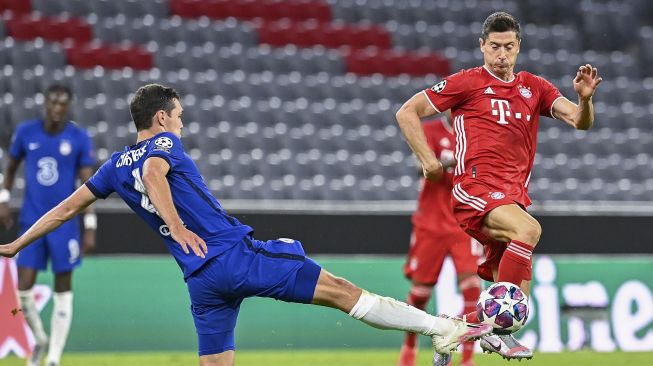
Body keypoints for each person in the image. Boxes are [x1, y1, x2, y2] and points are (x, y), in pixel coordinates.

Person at [0, 84, 492, 366]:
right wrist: (177, 225)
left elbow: (66, 208)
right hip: (233, 255)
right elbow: (154, 174)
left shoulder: (110, 166)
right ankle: (441, 328)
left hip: (200, 280)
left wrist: (17, 243)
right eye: (179, 116)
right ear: (161, 117)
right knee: (343, 292)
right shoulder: (163, 146)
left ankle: (438, 329)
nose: (183, 124)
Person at [395, 12, 602, 362]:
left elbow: (579, 123)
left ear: (518, 46)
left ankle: (451, 329)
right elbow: (407, 112)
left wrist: (584, 100)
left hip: (511, 198)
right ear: (482, 46)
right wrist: (429, 162)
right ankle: (495, 335)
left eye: (508, 46)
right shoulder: (466, 82)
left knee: (517, 304)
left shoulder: (534, 87)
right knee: (529, 229)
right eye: (494, 47)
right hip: (473, 189)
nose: (501, 54)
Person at [0, 84, 97, 366]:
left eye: (62, 104)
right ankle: (40, 341)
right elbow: (10, 167)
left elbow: (88, 184)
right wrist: (4, 200)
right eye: (53, 103)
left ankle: (54, 358)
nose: (57, 108)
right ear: (46, 103)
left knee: (63, 288)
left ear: (68, 107)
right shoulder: (27, 132)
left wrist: (89, 225)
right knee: (23, 290)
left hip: (65, 224)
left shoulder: (77, 138)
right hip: (31, 221)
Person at [398, 114, 483, 366]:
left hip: (464, 222)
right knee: (420, 292)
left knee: (472, 286)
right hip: (431, 223)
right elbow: (418, 166)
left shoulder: (477, 131)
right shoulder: (430, 129)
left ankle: (468, 358)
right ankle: (410, 347)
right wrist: (447, 161)